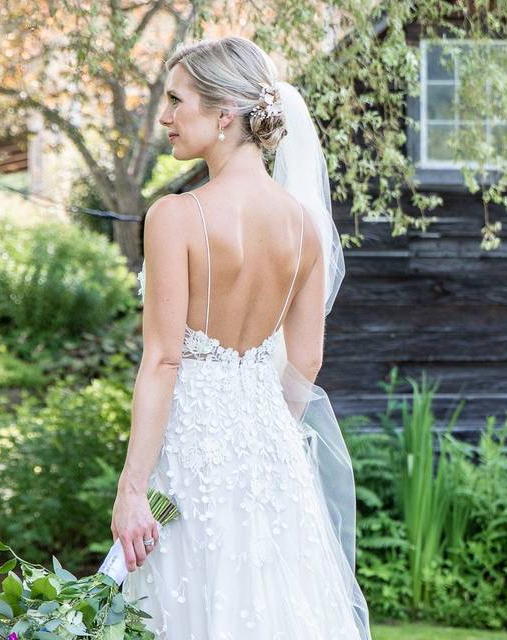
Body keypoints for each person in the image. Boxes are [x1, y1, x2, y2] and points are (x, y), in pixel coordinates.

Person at [113, 35, 371, 639]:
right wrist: (257, 435)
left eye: (178, 102)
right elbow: (305, 362)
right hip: (271, 455)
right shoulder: (305, 227)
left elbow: (162, 360)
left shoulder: (174, 217)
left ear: (224, 115)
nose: (166, 118)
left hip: (191, 450)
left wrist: (132, 492)